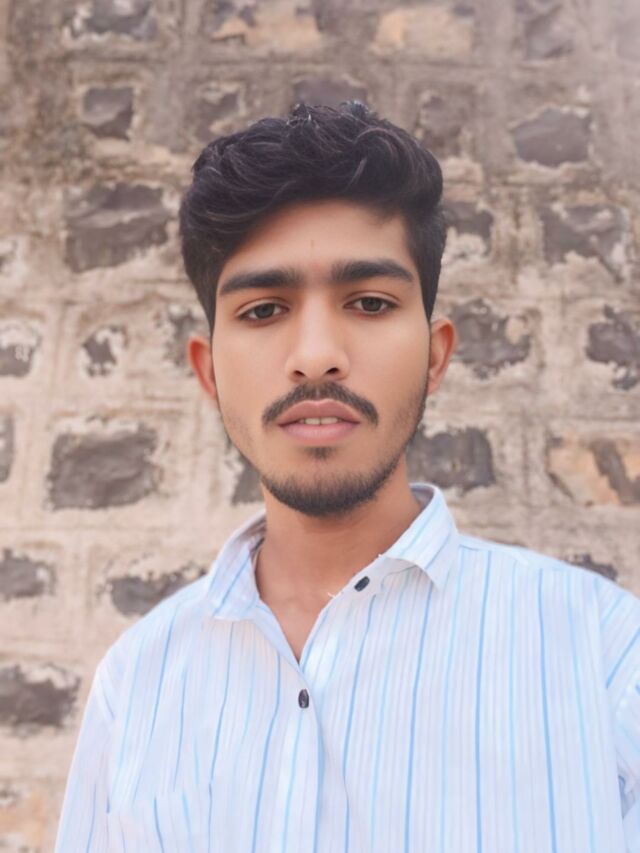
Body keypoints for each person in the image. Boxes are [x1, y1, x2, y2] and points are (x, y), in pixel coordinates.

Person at [55, 101, 640, 852]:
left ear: (435, 356)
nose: (316, 356)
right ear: (209, 372)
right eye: (263, 310)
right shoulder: (136, 686)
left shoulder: (604, 655)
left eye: (368, 302)